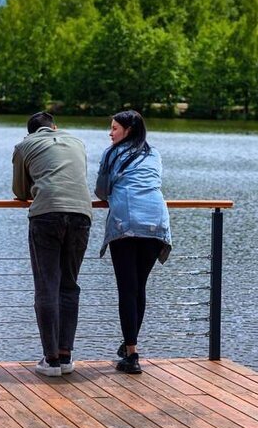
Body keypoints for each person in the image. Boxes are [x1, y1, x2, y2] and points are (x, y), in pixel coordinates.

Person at [13, 111, 93, 376]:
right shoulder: (77, 142)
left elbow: (20, 191)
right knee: (69, 285)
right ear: (55, 127)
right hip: (81, 214)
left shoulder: (24, 146)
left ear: (30, 132)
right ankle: (66, 356)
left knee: (47, 286)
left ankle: (50, 360)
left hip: (46, 215)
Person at [95, 110, 171, 375]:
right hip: (155, 221)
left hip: (126, 223)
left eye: (115, 128)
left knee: (127, 289)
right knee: (139, 287)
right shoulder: (154, 153)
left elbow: (101, 191)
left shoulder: (111, 153)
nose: (110, 133)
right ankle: (130, 347)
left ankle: (132, 355)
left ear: (128, 130)